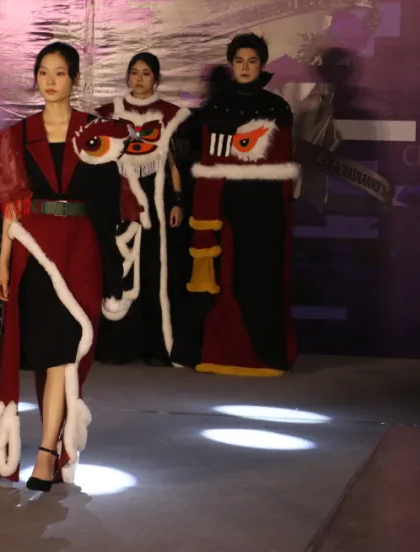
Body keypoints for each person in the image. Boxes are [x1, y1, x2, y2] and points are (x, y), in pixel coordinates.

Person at [0, 42, 137, 491]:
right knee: (47, 349)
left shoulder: (95, 133)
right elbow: (11, 207)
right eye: (44, 72)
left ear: (75, 79)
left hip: (80, 248)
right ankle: (50, 447)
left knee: (67, 351)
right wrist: (3, 264)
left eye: (60, 73)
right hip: (34, 248)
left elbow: (109, 203)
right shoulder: (18, 135)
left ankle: (48, 452)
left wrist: (112, 266)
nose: (50, 81)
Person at [174, 33, 299, 376]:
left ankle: (263, 353)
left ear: (262, 64)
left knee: (260, 277)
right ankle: (219, 351)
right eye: (239, 61)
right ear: (231, 65)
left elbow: (283, 164)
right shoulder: (215, 109)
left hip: (264, 206)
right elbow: (195, 155)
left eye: (252, 61)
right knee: (223, 276)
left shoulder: (277, 107)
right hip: (224, 204)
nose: (245, 68)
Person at [93, 52, 190, 366]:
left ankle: (157, 347)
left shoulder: (170, 116)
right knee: (119, 269)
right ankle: (116, 347)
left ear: (156, 79)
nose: (139, 78)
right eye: (134, 72)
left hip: (157, 205)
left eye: (146, 73)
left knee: (154, 270)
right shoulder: (110, 114)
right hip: (120, 203)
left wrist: (178, 202)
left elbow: (174, 163)